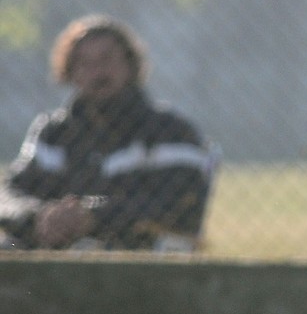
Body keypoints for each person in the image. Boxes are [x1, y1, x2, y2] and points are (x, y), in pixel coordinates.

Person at [0, 14, 214, 252]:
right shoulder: (54, 133)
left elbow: (178, 201)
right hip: (63, 248)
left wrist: (94, 216)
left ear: (131, 64)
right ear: (69, 71)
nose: (97, 72)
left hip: (145, 259)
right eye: (84, 63)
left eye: (107, 58)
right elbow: (9, 195)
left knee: (87, 252)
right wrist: (39, 217)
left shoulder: (170, 130)